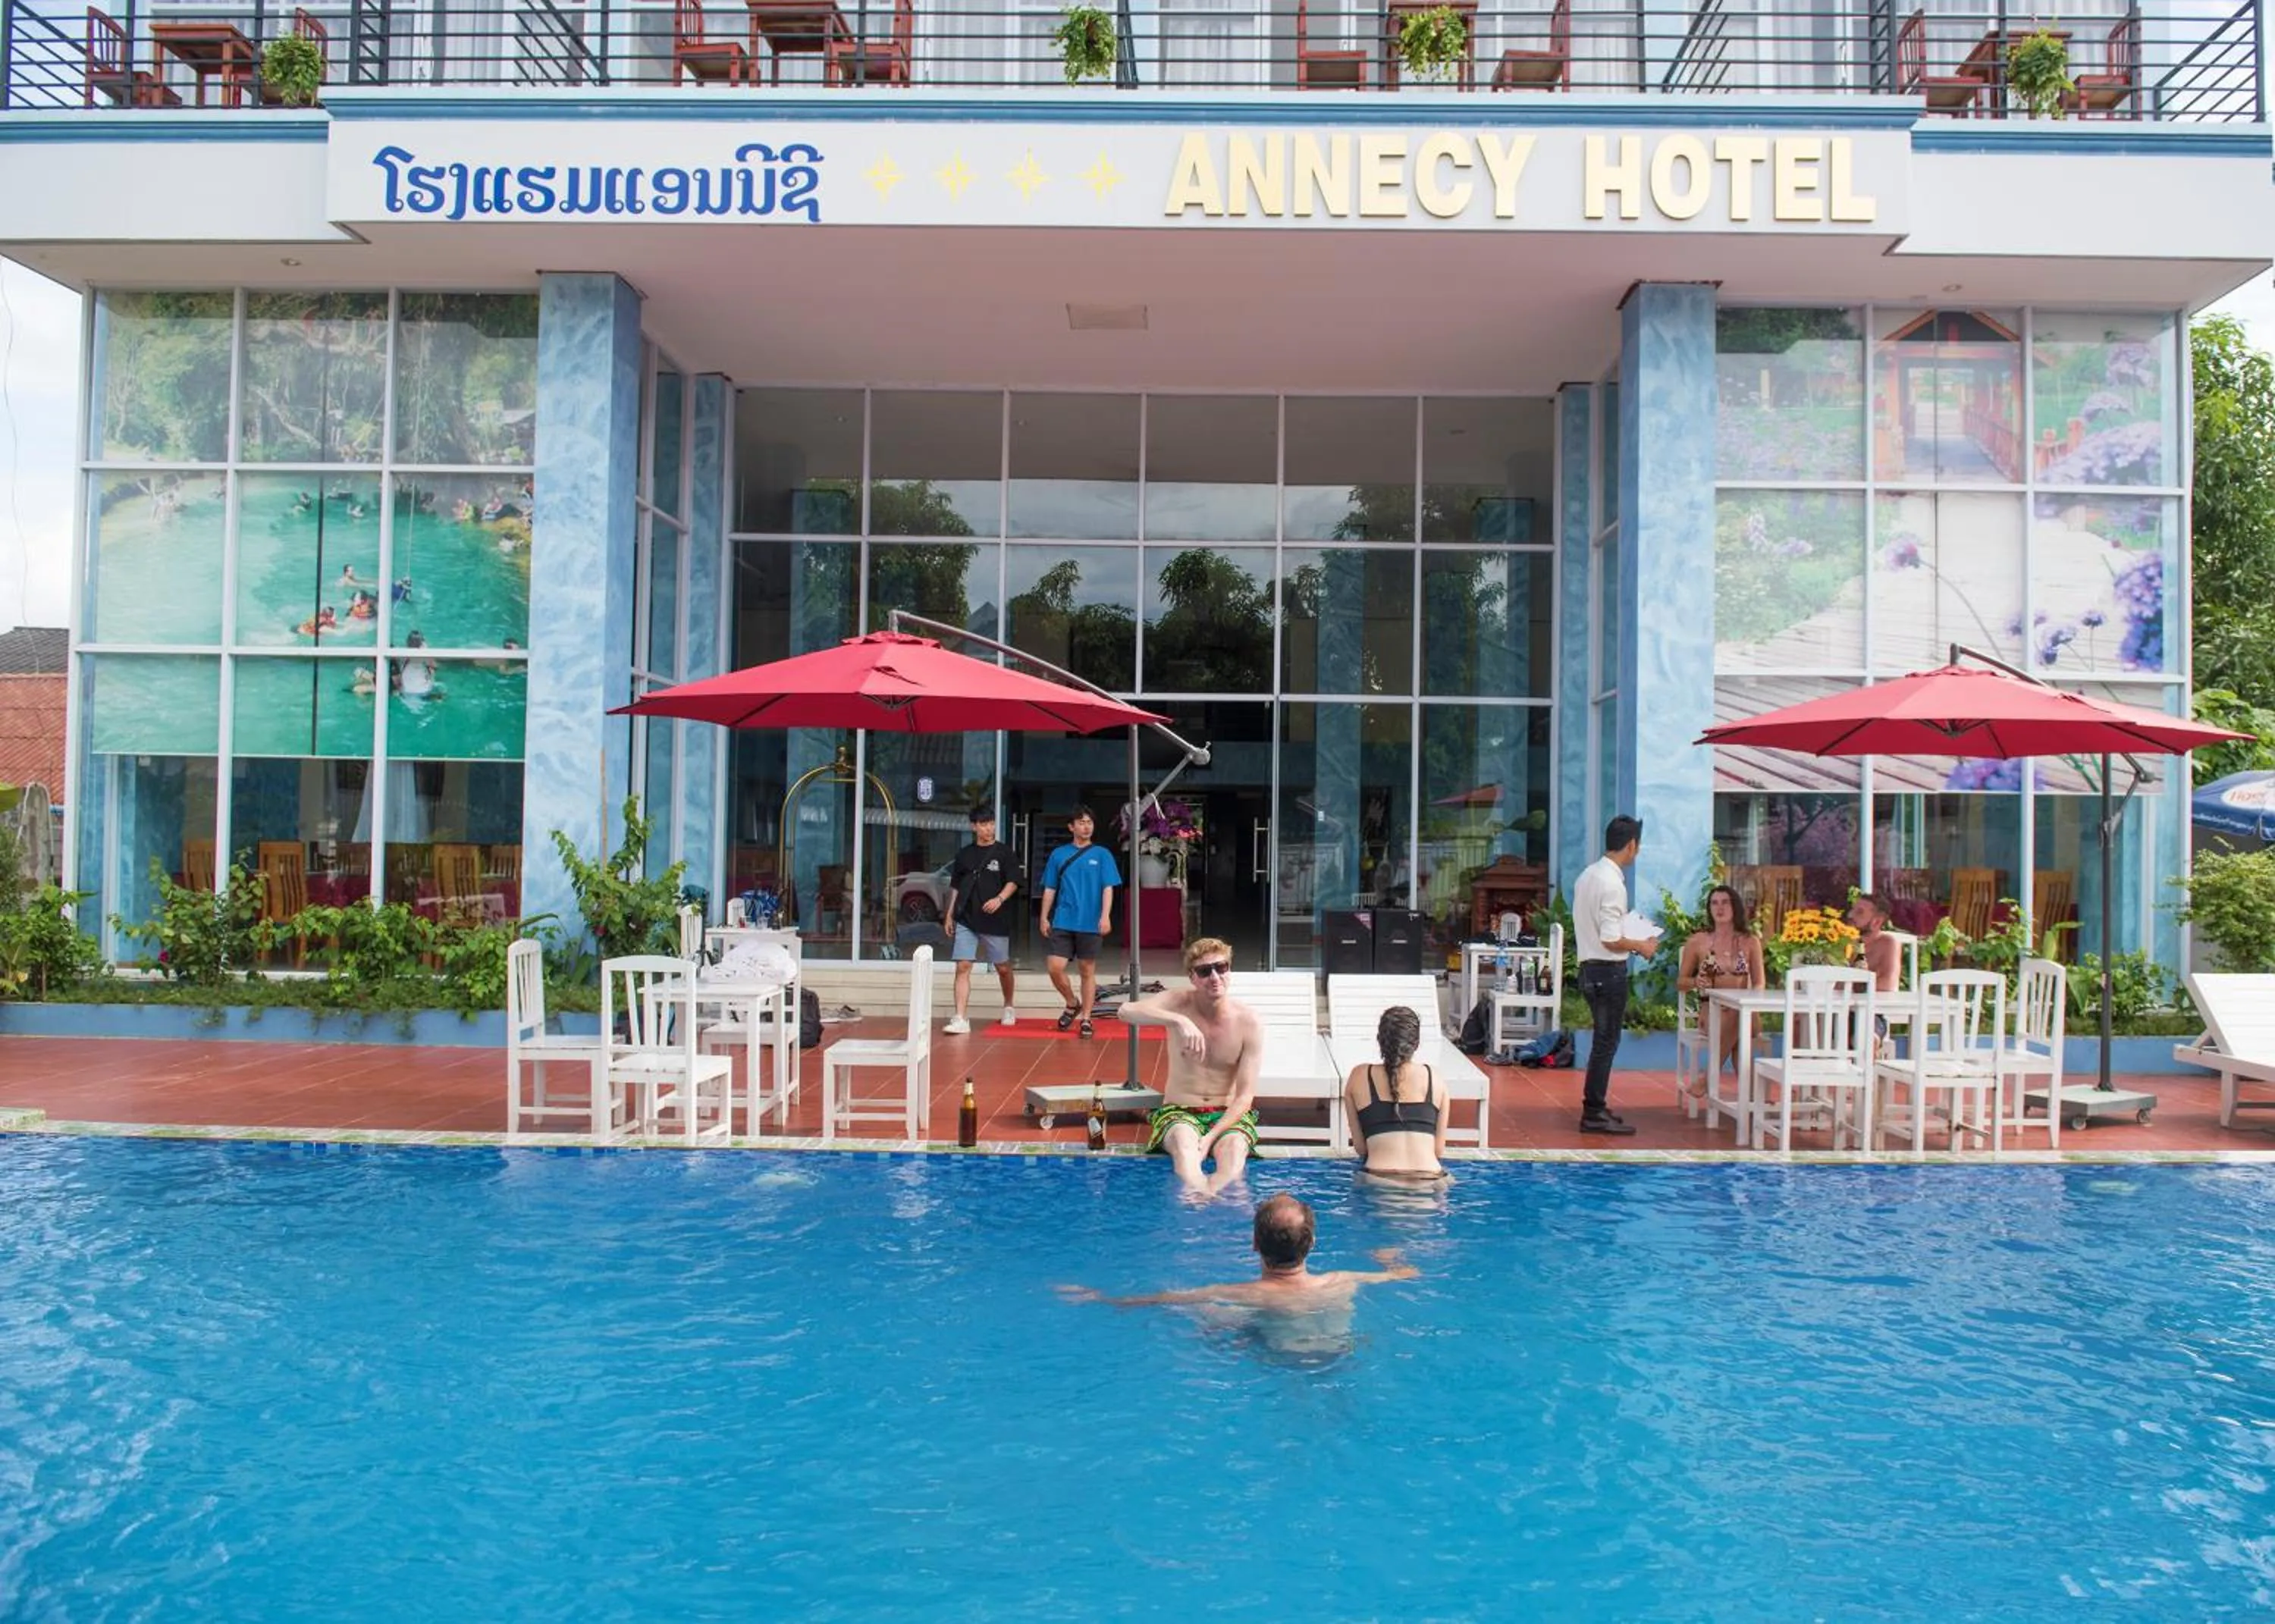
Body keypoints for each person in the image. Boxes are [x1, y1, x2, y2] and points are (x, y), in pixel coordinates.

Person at [1059, 1195, 1416, 1317]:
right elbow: (1406, 1275)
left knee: (1211, 1319)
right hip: (1339, 1358)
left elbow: (1156, 1300)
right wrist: (1389, 1260)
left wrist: (1100, 1297)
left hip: (1281, 1365)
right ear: (1313, 1244)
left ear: (1255, 1244)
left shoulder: (1238, 1294)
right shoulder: (1343, 1280)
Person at [1119, 937, 1262, 1198]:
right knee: (1185, 1147)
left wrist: (1210, 1138)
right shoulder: (1178, 1002)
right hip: (1180, 1111)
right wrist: (1177, 1021)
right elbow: (1125, 1011)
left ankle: (1219, 1203)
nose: (1215, 977)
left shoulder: (1248, 1022)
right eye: (1205, 971)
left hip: (1226, 1113)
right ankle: (1195, 1209)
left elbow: (1245, 1097)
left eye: (1222, 967)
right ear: (1193, 977)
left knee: (1233, 1153)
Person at [1573, 814, 1657, 1136]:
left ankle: (1597, 1105)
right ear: (1632, 845)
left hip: (1590, 969)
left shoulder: (1588, 875)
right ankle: (1593, 1112)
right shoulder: (1612, 883)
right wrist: (1641, 946)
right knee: (1606, 1043)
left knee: (1602, 1042)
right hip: (1607, 972)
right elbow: (1610, 938)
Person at [1038, 805, 1121, 1039]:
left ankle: (1086, 1018)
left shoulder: (1103, 854)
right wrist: (1044, 916)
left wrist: (1105, 916)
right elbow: (1050, 888)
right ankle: (1071, 1002)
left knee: (1087, 970)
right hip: (1064, 919)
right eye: (1081, 822)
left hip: (1090, 922)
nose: (1086, 826)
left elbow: (1108, 888)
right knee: (1055, 967)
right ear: (1071, 827)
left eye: (1089, 822)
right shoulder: (1058, 854)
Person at [1343, 1004, 1448, 1184]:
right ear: (1417, 1044)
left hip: (1380, 1179)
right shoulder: (1435, 1078)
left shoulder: (1359, 1076)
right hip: (1431, 1180)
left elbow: (1361, 1148)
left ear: (1379, 1040)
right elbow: (1438, 1151)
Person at [943, 804, 1023, 1036]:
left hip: (995, 919)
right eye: (983, 824)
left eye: (991, 823)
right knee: (963, 966)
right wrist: (949, 915)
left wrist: (1000, 899)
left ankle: (1008, 1005)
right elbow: (956, 886)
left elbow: (1014, 881)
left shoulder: (1004, 852)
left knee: (1003, 967)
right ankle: (960, 1017)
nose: (989, 829)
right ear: (974, 827)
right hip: (967, 918)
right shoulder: (964, 855)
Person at [1677, 883, 1767, 1086]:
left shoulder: (1750, 942)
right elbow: (1680, 983)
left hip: (1745, 1010)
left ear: (1735, 906)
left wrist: (1752, 1005)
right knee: (1738, 1037)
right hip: (1712, 1011)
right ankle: (1752, 1100)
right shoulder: (1698, 942)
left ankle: (1707, 1080)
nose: (1720, 908)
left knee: (1738, 1014)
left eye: (1725, 903)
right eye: (1715, 903)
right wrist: (1695, 981)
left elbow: (1760, 983)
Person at [1847, 892, 1902, 995]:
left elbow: (1889, 983)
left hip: (1871, 1007)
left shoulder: (1887, 943)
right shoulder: (1839, 941)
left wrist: (1853, 988)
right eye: (1852, 910)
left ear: (1876, 922)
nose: (1850, 915)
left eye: (1859, 912)